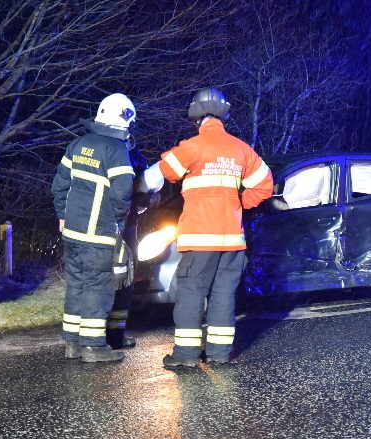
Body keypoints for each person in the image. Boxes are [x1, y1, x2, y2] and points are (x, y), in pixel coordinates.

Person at [157, 87, 273, 368]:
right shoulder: (241, 149)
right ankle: (220, 354)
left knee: (191, 294)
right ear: (224, 115)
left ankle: (185, 355)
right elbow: (265, 186)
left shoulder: (194, 146)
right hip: (232, 241)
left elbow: (167, 169)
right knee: (223, 296)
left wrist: (181, 148)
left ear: (196, 116)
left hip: (200, 239)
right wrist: (238, 201)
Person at [51, 93, 136, 362]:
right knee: (98, 287)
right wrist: (119, 223)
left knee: (76, 285)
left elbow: (60, 185)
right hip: (99, 233)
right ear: (124, 119)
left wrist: (62, 215)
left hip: (72, 233)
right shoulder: (117, 151)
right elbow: (122, 193)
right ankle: (93, 345)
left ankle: (73, 344)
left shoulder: (77, 145)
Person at [105, 145, 161, 350]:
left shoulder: (135, 153)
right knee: (105, 279)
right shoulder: (107, 149)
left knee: (125, 281)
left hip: (128, 223)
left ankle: (116, 335)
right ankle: (97, 336)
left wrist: (149, 197)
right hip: (106, 223)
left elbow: (145, 186)